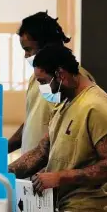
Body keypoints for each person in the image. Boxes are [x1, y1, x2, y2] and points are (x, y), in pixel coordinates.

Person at [8, 45, 107, 212]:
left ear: (60, 74)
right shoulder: (64, 102)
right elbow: (42, 151)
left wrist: (60, 177)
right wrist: (4, 173)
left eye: (44, 82)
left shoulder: (97, 108)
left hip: (84, 208)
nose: (42, 89)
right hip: (58, 203)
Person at [8, 11, 95, 155]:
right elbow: (33, 122)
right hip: (34, 170)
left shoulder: (74, 80)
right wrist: (3, 149)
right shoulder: (36, 78)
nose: (26, 56)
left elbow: (71, 132)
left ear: (47, 45)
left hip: (54, 170)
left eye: (28, 49)